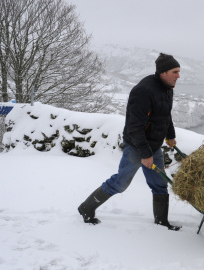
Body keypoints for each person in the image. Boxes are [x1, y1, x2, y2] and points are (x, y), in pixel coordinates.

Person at [78, 53, 181, 231]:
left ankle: (162, 223)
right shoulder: (143, 91)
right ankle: (86, 207)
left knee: (159, 183)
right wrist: (145, 154)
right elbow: (134, 128)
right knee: (121, 183)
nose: (178, 76)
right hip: (137, 146)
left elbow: (165, 115)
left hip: (154, 145)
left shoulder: (167, 88)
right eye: (175, 72)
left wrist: (170, 135)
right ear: (163, 73)